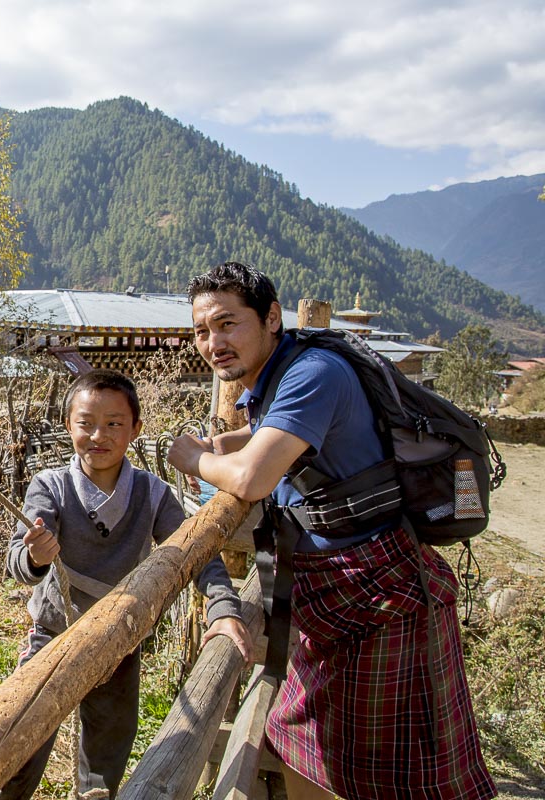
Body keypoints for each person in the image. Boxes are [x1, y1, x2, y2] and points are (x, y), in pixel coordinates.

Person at [166, 261, 496, 800]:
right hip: (340, 595)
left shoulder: (312, 372)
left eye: (228, 324)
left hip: (380, 598)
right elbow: (275, 436)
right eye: (201, 331)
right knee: (301, 742)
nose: (213, 342)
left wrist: (193, 458)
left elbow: (253, 478)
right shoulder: (280, 374)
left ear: (272, 317)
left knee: (399, 775)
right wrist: (232, 442)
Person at [0, 369, 250, 800]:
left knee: (106, 757)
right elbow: (17, 558)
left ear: (135, 429)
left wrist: (224, 606)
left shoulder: (152, 495)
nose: (99, 435)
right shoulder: (51, 488)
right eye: (86, 423)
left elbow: (195, 552)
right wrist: (34, 557)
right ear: (67, 425)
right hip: (55, 635)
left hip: (119, 640)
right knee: (21, 742)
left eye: (114, 424)